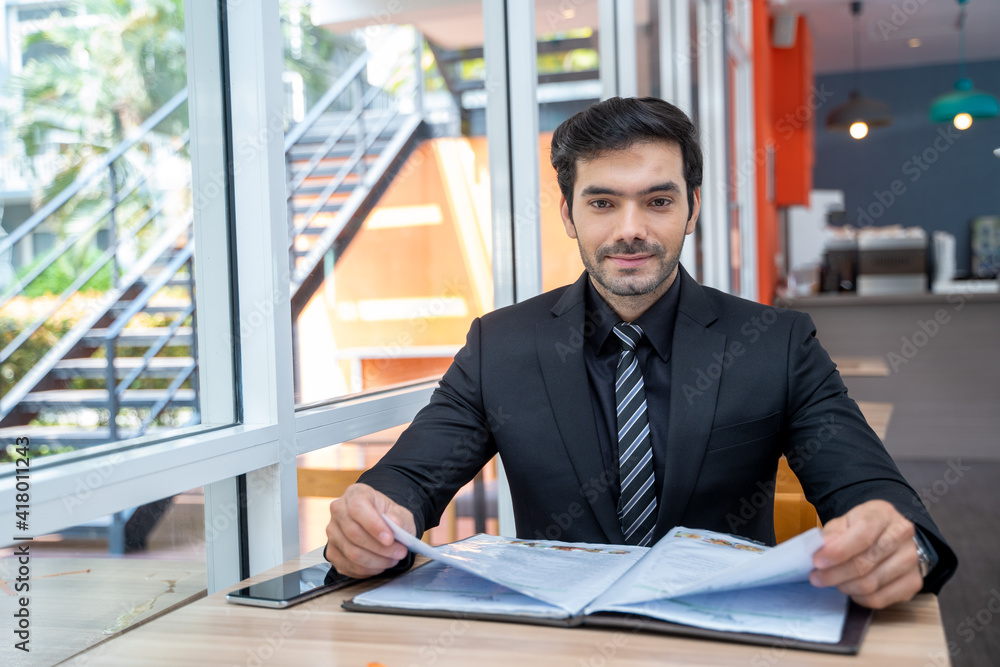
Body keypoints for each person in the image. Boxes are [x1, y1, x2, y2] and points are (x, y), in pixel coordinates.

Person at [324, 97, 956, 609]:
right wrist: (372, 521)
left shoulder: (777, 343)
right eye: (603, 202)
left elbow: (873, 490)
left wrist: (901, 545)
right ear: (569, 213)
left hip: (721, 638)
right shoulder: (501, 345)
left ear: (691, 209)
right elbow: (409, 479)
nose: (631, 228)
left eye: (657, 201)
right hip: (555, 644)